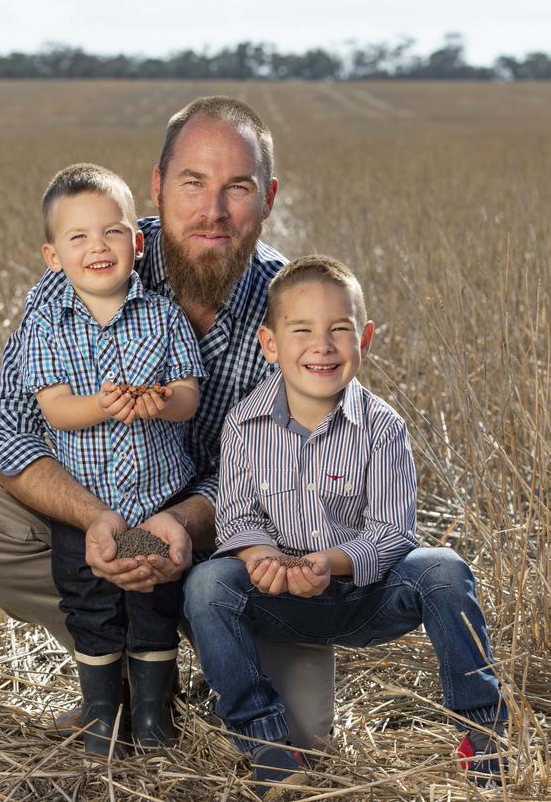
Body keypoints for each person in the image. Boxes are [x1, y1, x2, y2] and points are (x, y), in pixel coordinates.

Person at [0, 96, 335, 750]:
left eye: (238, 188)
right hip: (102, 522)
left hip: (231, 546)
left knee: (303, 735)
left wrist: (184, 520)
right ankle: (118, 678)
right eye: (192, 183)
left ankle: (200, 654)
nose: (212, 211)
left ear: (270, 197)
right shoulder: (92, 262)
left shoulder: (300, 306)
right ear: (157, 186)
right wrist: (96, 520)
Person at [184, 255, 508, 799]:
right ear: (269, 343)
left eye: (340, 329)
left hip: (364, 597)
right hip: (278, 599)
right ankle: (265, 744)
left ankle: (482, 738)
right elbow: (237, 518)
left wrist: (327, 563)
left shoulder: (381, 427)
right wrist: (263, 561)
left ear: (366, 338)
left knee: (444, 570)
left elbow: (390, 532)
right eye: (302, 330)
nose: (322, 345)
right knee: (206, 585)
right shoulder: (243, 424)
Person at [20, 163, 204, 754]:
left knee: (152, 602)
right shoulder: (48, 322)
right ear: (54, 256)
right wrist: (102, 404)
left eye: (113, 233)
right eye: (79, 238)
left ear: (137, 242)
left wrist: (160, 399)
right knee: (91, 607)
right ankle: (104, 717)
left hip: (155, 500)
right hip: (88, 506)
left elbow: (190, 398)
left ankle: (153, 718)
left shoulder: (162, 314)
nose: (98, 247)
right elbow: (54, 411)